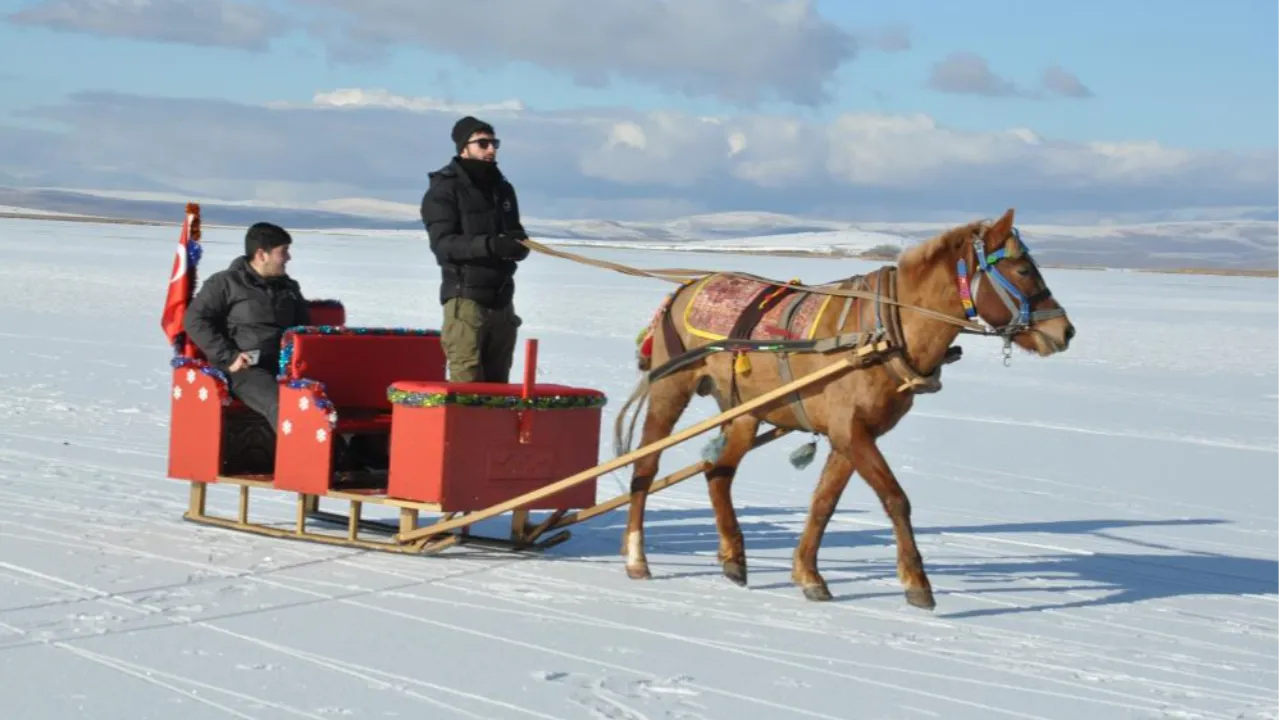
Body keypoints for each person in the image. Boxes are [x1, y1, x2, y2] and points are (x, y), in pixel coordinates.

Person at [419, 115, 531, 383]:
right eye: (483, 143)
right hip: (466, 303)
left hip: (503, 302)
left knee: (498, 390)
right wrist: (491, 245)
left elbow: (514, 232)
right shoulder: (444, 190)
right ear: (463, 147)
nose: (491, 149)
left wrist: (518, 246)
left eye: (494, 143)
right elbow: (443, 245)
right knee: (466, 387)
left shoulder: (502, 189)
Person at [183, 221, 310, 431]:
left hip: (285, 366)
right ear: (262, 255)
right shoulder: (225, 283)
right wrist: (229, 356)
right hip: (245, 369)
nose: (288, 258)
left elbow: (305, 329)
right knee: (285, 405)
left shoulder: (288, 287)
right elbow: (195, 320)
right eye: (284, 251)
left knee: (332, 396)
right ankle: (301, 459)